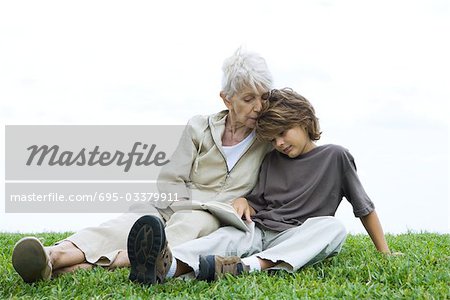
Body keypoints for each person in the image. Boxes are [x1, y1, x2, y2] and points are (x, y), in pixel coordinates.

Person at [11, 47, 273, 283]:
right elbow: (171, 177)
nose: (258, 107)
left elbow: (275, 186)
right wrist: (177, 207)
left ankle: (70, 267)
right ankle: (51, 255)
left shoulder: (269, 139)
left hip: (211, 215)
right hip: (174, 203)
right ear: (227, 99)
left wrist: (246, 201)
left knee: (183, 231)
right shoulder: (199, 126)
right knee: (125, 224)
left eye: (263, 97)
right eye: (248, 99)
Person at [126, 87, 393, 285]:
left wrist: (385, 252)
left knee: (333, 228)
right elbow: (258, 201)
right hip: (260, 228)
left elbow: (364, 208)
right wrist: (245, 202)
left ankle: (248, 267)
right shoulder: (271, 160)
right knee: (223, 238)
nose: (278, 142)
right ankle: (166, 266)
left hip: (296, 234)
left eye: (283, 132)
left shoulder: (335, 157)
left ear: (304, 121)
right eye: (272, 138)